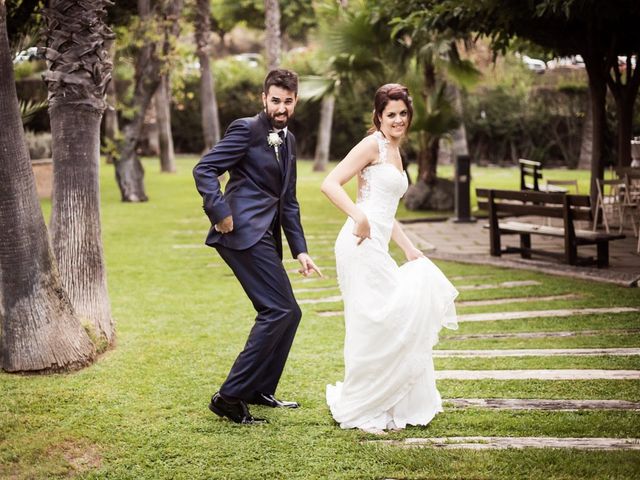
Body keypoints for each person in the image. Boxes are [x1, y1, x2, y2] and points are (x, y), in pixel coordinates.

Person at [321, 84, 458, 434]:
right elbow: (331, 183)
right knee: (372, 320)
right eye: (391, 114)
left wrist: (409, 248)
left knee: (387, 317)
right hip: (358, 243)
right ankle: (362, 402)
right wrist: (358, 216)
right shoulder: (372, 145)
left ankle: (391, 398)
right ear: (379, 116)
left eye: (402, 114)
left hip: (377, 243)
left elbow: (387, 211)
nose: (398, 120)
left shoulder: (396, 151)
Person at [193, 69, 322, 425]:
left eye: (288, 101)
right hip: (241, 233)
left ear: (295, 101)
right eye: (275, 100)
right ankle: (229, 397)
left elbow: (288, 201)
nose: (281, 107)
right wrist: (219, 212)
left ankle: (258, 388)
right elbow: (205, 169)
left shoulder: (289, 140)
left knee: (289, 313)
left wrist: (301, 250)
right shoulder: (246, 129)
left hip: (265, 235)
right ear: (264, 98)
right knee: (277, 310)